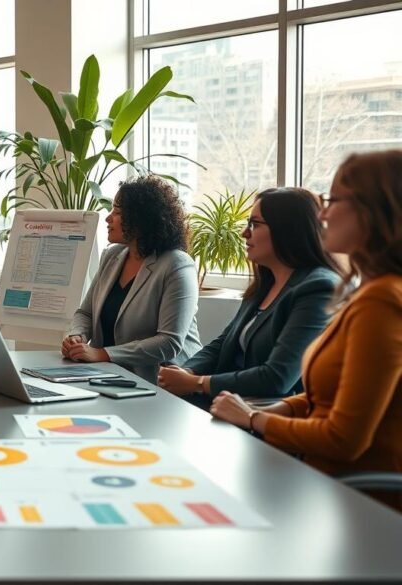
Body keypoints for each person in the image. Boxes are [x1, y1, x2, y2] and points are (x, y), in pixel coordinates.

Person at [211, 150, 402, 510]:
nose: (324, 214)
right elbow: (323, 397)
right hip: (323, 483)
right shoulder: (368, 292)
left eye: (333, 201)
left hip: (360, 505)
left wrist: (255, 418)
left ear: (376, 210)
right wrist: (279, 409)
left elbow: (345, 438)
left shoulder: (381, 302)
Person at [158, 188, 341, 408]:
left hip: (271, 417)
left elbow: (278, 378)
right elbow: (223, 343)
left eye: (254, 224)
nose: (245, 233)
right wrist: (186, 371)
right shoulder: (266, 282)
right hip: (228, 405)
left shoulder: (318, 288)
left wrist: (197, 383)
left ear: (287, 230)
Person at [62, 174, 202, 382]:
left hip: (164, 384)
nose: (108, 218)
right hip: (108, 377)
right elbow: (86, 313)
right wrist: (77, 336)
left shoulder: (177, 265)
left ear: (141, 220)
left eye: (117, 212)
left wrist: (103, 354)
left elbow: (169, 342)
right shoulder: (112, 255)